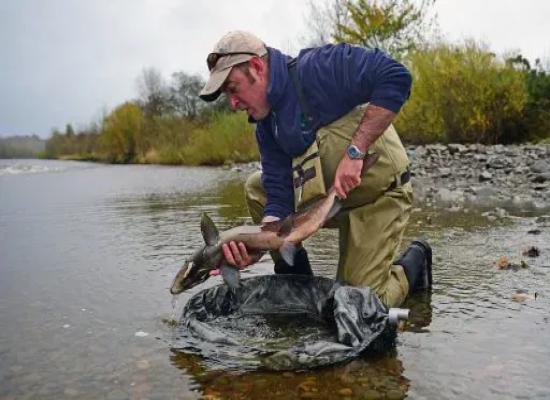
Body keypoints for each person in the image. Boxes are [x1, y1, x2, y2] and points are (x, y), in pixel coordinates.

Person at [199, 31, 431, 308]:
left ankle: (415, 261)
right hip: (325, 203)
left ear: (258, 68)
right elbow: (279, 197)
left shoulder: (318, 68)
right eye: (227, 95)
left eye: (233, 88)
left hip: (376, 197)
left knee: (361, 306)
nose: (233, 103)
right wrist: (258, 247)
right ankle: (298, 281)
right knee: (255, 187)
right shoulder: (265, 126)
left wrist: (356, 151)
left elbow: (396, 76)